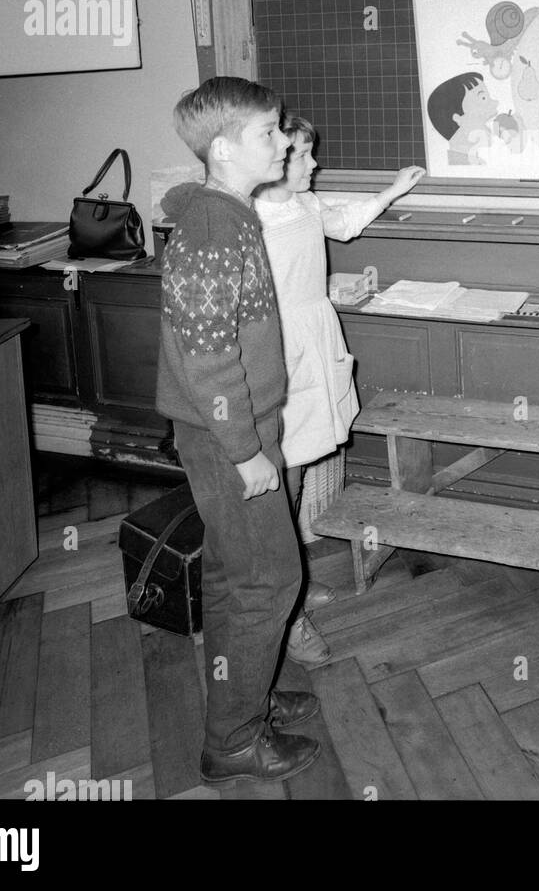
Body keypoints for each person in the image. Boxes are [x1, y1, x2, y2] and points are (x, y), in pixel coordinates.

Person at [155, 77, 321, 785]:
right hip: (230, 436)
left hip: (245, 427)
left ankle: (241, 695)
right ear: (223, 150)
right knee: (268, 581)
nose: (284, 141)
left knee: (232, 577)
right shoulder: (214, 227)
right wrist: (247, 452)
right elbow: (204, 356)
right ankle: (231, 742)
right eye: (268, 133)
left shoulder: (228, 213)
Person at [254, 116, 423, 665]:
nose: (313, 164)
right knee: (280, 473)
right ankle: (286, 613)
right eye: (302, 156)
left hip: (314, 335)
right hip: (278, 347)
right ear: (273, 162)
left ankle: (294, 585)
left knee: (299, 465)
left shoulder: (305, 205)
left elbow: (346, 223)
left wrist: (394, 189)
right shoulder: (253, 217)